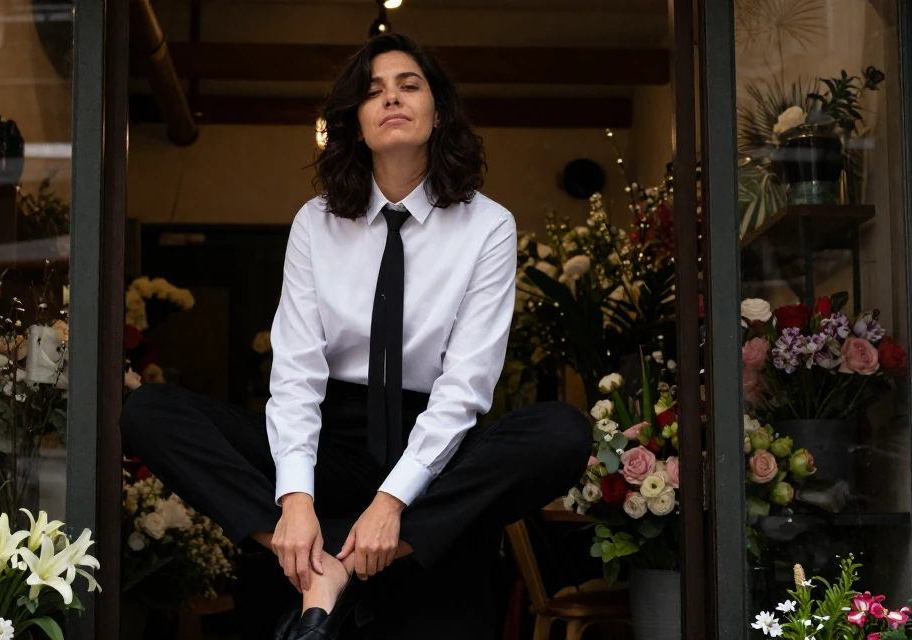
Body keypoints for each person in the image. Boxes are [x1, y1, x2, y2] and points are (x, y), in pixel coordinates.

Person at [120, 33, 591, 640]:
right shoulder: (316, 223)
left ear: (438, 110)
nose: (390, 98)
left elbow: (466, 385)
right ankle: (315, 566)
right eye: (372, 92)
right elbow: (294, 375)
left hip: (435, 445)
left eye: (408, 85)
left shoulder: (487, 225)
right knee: (150, 411)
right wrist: (294, 499)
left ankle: (359, 558)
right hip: (330, 443)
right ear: (356, 123)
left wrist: (391, 503)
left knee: (562, 431)